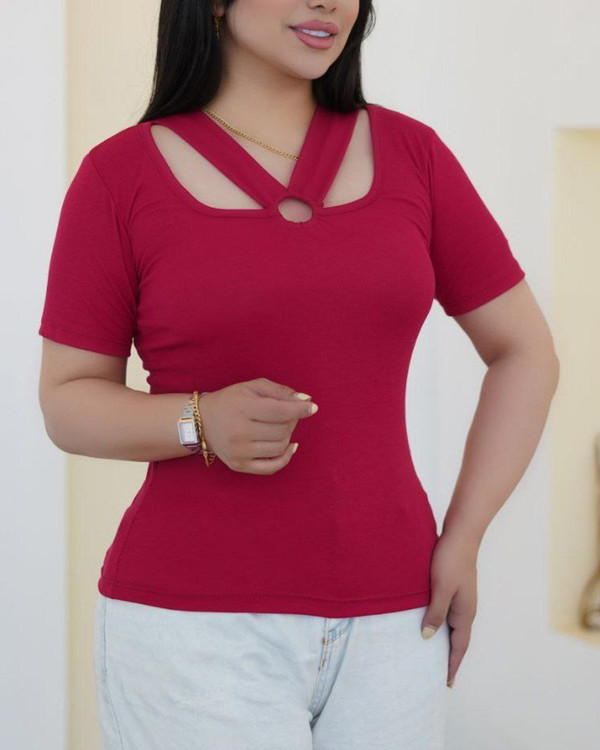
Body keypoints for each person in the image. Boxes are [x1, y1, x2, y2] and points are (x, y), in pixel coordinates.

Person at [37, 0, 559, 748]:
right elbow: (67, 401)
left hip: (397, 617)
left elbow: (525, 352)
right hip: (194, 630)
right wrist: (199, 420)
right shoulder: (119, 176)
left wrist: (465, 535)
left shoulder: (414, 155)